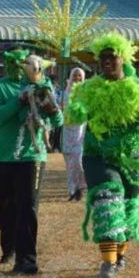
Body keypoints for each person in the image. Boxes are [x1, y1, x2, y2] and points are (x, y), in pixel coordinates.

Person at [67, 33, 139, 278]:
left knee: (129, 205)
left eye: (112, 57)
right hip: (97, 155)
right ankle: (108, 261)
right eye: (103, 58)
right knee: (107, 198)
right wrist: (75, 110)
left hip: (130, 158)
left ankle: (121, 253)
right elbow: (74, 117)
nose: (107, 62)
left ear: (123, 58)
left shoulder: (138, 88)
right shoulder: (89, 88)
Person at [0, 50, 63, 274]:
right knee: (5, 206)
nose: (20, 67)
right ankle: (8, 248)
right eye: (14, 63)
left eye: (25, 63)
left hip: (31, 157)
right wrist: (18, 101)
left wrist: (52, 109)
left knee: (27, 206)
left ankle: (27, 260)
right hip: (0, 157)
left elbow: (58, 119)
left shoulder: (43, 86)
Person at [61, 68, 87, 201]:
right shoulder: (66, 91)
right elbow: (64, 109)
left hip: (81, 132)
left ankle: (80, 187)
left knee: (79, 161)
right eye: (75, 76)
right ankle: (72, 190)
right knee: (69, 162)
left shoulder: (86, 92)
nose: (77, 79)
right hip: (67, 130)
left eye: (79, 76)